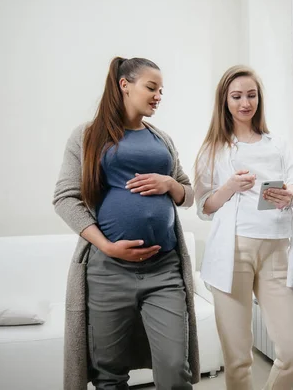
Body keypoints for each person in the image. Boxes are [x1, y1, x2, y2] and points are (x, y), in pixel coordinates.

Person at [53, 57, 199, 390]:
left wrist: (170, 185)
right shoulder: (87, 136)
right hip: (108, 271)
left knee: (176, 368)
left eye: (161, 90)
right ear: (124, 85)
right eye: (151, 87)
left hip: (164, 270)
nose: (158, 96)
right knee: (109, 373)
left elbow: (188, 193)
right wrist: (105, 245)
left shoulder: (161, 139)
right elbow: (65, 197)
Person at [194, 65, 293, 390]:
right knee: (238, 360)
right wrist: (229, 186)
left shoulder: (278, 144)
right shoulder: (214, 149)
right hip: (233, 252)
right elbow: (203, 205)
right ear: (225, 101)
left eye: (251, 95)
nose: (245, 103)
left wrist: (291, 193)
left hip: (277, 251)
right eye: (237, 96)